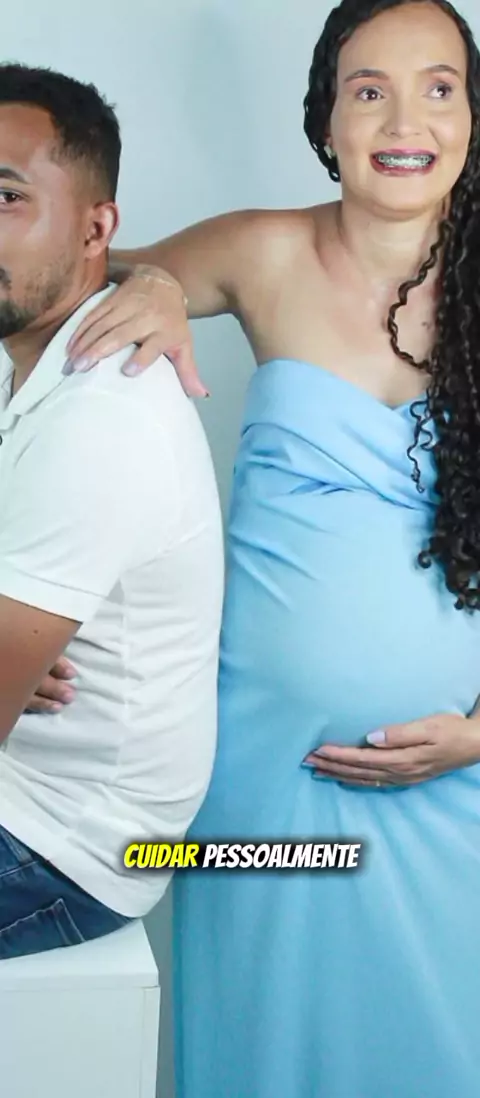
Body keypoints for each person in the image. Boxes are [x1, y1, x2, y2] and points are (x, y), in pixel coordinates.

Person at [32, 0, 480, 1095]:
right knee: (261, 1048)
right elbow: (53, 282)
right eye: (368, 90)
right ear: (325, 119)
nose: (404, 120)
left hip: (457, 780)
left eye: (439, 87)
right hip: (255, 780)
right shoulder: (261, 250)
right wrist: (152, 281)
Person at [0, 64, 224, 960]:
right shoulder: (45, 370)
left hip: (57, 847)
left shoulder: (100, 418)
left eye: (6, 197)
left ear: (98, 229)